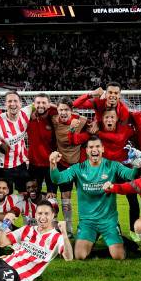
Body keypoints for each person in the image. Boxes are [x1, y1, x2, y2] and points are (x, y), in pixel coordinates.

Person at [50, 136, 139, 260]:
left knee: (118, 256)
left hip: (108, 221)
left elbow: (130, 175)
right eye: (91, 147)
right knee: (80, 256)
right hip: (87, 222)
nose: (94, 149)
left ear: (102, 149)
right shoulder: (78, 168)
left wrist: (136, 165)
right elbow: (58, 179)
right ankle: (94, 239)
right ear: (86, 150)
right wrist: (53, 164)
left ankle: (121, 241)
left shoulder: (112, 165)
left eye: (97, 146)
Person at [51, 97, 87, 235]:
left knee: (84, 196)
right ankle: (66, 228)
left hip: (78, 165)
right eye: (60, 109)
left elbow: (93, 126)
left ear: (71, 110)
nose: (63, 112)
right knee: (64, 196)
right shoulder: (54, 121)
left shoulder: (80, 121)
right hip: (62, 163)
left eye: (66, 109)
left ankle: (82, 226)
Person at [0, 91, 32, 193]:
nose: (13, 104)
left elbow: (40, 103)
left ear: (20, 103)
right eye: (9, 101)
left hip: (20, 164)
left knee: (25, 196)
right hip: (3, 167)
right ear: (5, 104)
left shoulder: (26, 112)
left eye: (15, 101)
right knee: (4, 199)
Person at [25, 93, 58, 198]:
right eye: (38, 102)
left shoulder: (53, 117)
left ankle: (52, 214)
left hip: (50, 164)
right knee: (33, 196)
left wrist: (50, 105)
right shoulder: (28, 118)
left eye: (44, 103)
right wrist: (33, 108)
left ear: (49, 105)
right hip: (34, 164)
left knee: (51, 197)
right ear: (34, 104)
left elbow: (64, 109)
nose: (41, 105)